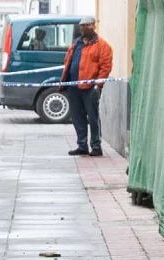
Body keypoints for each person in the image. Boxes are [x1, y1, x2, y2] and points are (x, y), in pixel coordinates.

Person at [60, 16, 113, 156]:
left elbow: (105, 66)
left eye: (85, 25)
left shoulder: (102, 45)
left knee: (93, 117)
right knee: (77, 117)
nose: (82, 28)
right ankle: (82, 145)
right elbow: (68, 61)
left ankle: (96, 146)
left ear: (93, 26)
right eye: (81, 26)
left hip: (90, 88)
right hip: (73, 86)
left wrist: (98, 84)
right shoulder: (76, 44)